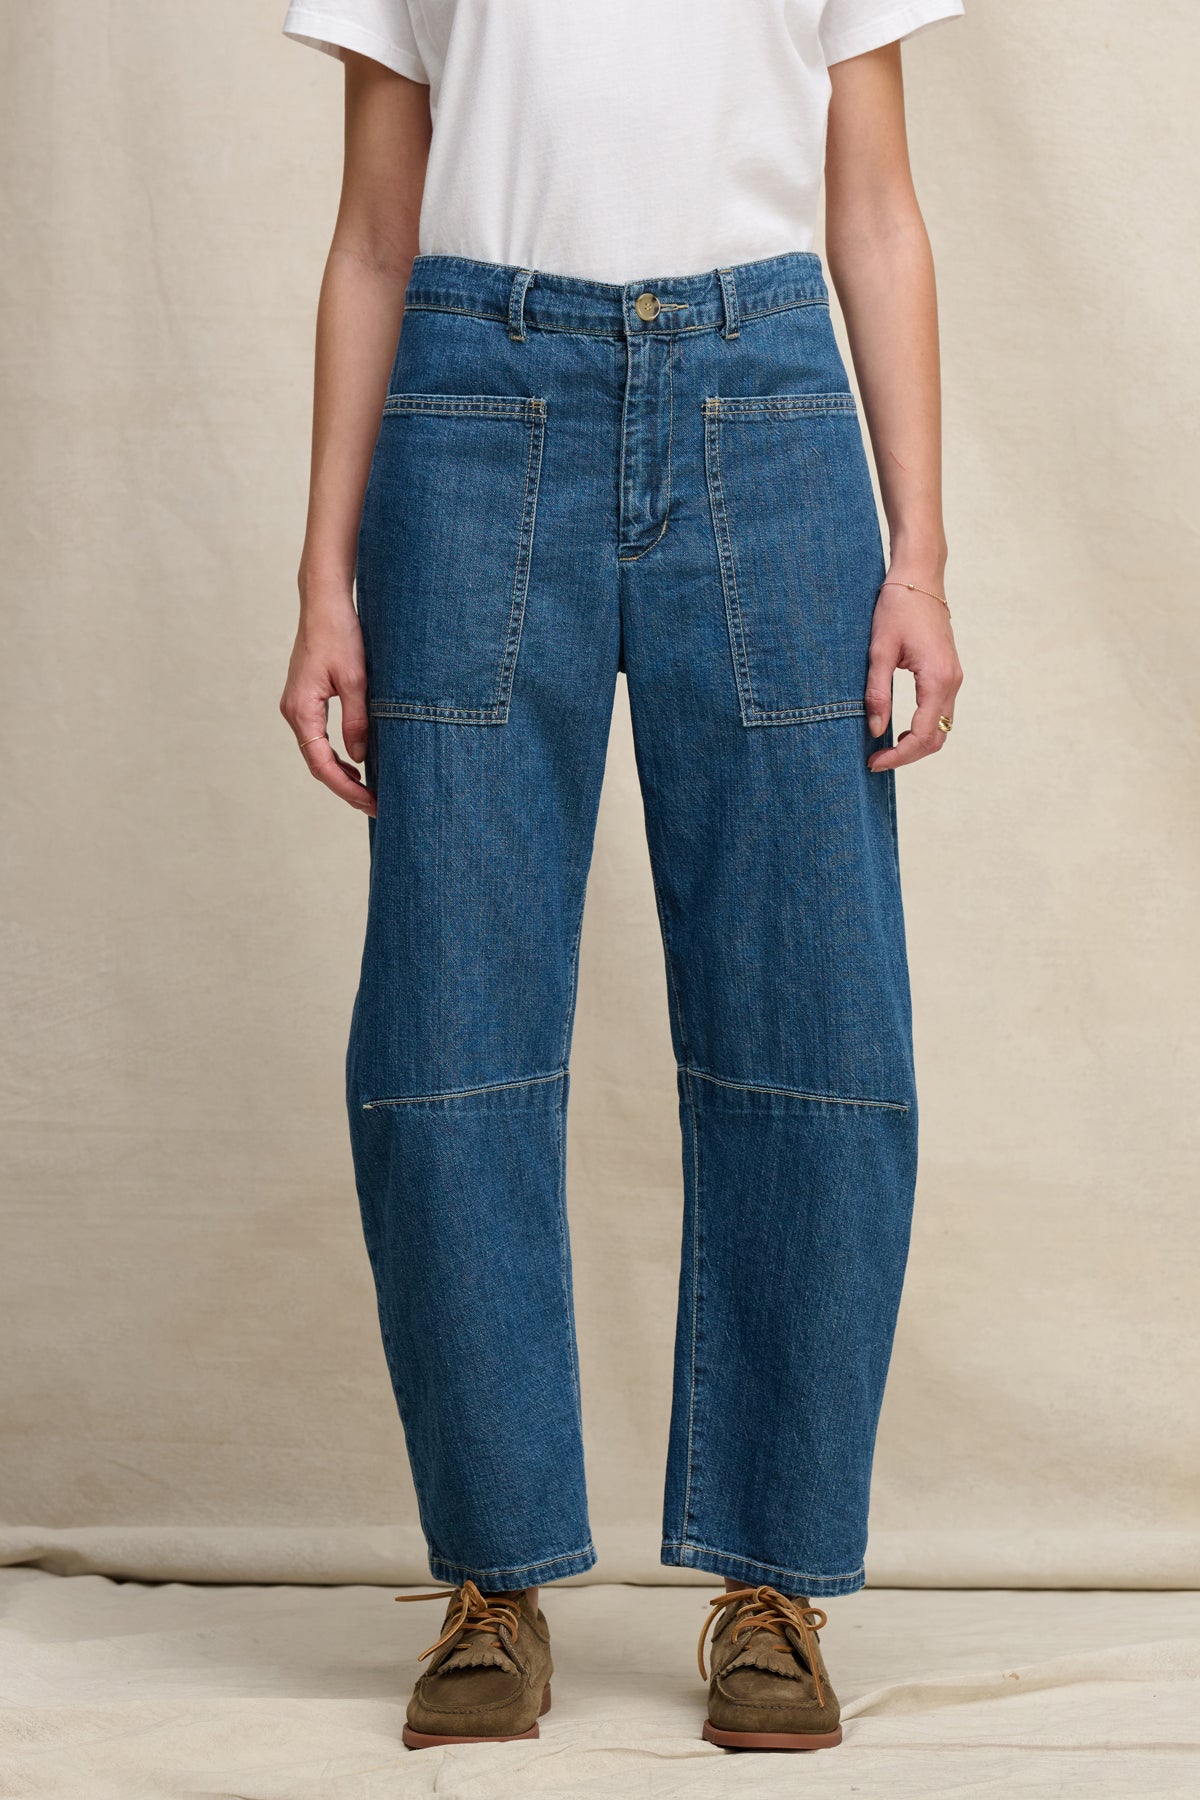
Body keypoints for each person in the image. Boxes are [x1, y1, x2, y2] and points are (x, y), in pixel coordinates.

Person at [280, 0, 965, 1755]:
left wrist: (921, 558)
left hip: (767, 405)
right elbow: (373, 234)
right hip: (471, 407)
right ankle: (492, 1578)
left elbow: (876, 206)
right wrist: (323, 582)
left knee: (814, 1020)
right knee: (446, 1034)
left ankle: (775, 1586)